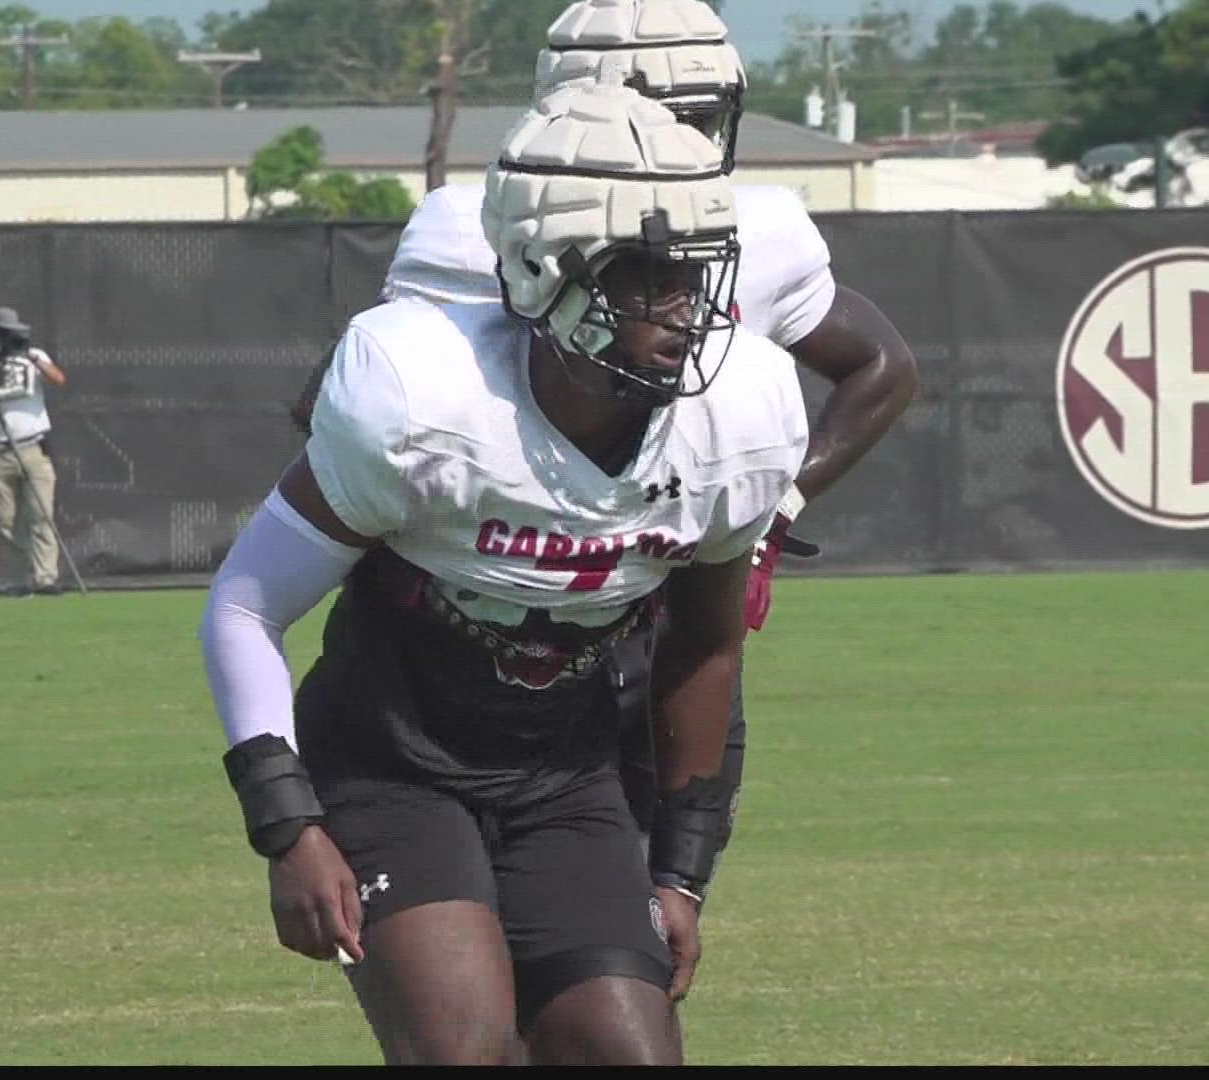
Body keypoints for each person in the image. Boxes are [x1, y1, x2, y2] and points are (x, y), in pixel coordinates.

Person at [200, 80, 808, 1065]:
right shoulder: (419, 400)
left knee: (631, 1054)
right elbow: (244, 603)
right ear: (543, 275)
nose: (682, 310)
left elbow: (705, 644)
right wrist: (287, 824)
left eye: (692, 278)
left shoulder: (738, 420)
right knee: (465, 1049)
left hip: (565, 778)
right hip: (391, 764)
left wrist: (683, 872)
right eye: (644, 277)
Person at [291, 0, 919, 919]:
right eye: (678, 115)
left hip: (657, 618)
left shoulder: (763, 233)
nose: (695, 144)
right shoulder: (478, 225)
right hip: (493, 622)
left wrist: (771, 514)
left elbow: (884, 367)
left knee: (637, 922)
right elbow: (342, 412)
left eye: (705, 118)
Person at [0, 306, 67, 597]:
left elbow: (59, 380)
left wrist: (32, 356)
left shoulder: (35, 356)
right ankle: (17, 580)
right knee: (5, 521)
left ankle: (45, 578)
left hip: (33, 446)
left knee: (41, 515)